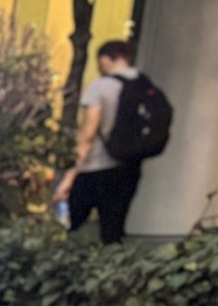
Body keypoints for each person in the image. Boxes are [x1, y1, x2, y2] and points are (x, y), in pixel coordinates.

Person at [53, 40, 149, 244]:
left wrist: (70, 177)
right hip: (128, 169)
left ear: (106, 59)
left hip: (95, 168)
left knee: (74, 230)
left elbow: (87, 135)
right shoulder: (145, 86)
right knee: (113, 231)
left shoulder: (100, 88)